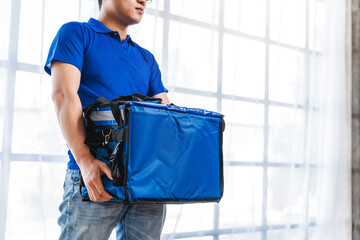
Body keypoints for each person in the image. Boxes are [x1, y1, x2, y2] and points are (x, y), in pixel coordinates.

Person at [44, 0, 170, 239]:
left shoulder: (147, 59)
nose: (144, 0)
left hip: (146, 181)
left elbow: (165, 116)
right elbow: (63, 95)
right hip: (96, 175)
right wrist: (85, 161)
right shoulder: (77, 34)